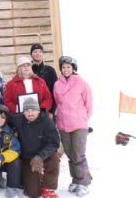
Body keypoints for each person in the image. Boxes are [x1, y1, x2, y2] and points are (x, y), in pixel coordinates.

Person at [53, 56, 93, 197]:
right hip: (63, 124)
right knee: (70, 154)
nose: (66, 69)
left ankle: (83, 183)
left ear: (73, 68)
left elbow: (89, 104)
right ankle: (75, 180)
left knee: (79, 154)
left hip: (79, 124)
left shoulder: (81, 83)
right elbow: (58, 103)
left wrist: (83, 119)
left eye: (68, 67)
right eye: (63, 67)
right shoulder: (57, 85)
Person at [8, 98, 60, 198]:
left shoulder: (46, 121)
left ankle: (49, 188)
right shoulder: (18, 119)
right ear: (23, 112)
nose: (30, 113)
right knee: (33, 193)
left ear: (38, 111)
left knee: (54, 157)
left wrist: (40, 156)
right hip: (27, 159)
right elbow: (4, 115)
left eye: (33, 110)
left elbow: (54, 143)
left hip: (43, 155)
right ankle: (31, 179)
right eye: (27, 111)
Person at [30, 44, 58, 115]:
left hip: (47, 110)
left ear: (43, 54)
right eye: (35, 51)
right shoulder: (27, 70)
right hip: (31, 110)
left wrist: (52, 111)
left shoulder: (50, 70)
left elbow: (55, 91)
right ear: (31, 54)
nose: (37, 54)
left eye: (40, 51)